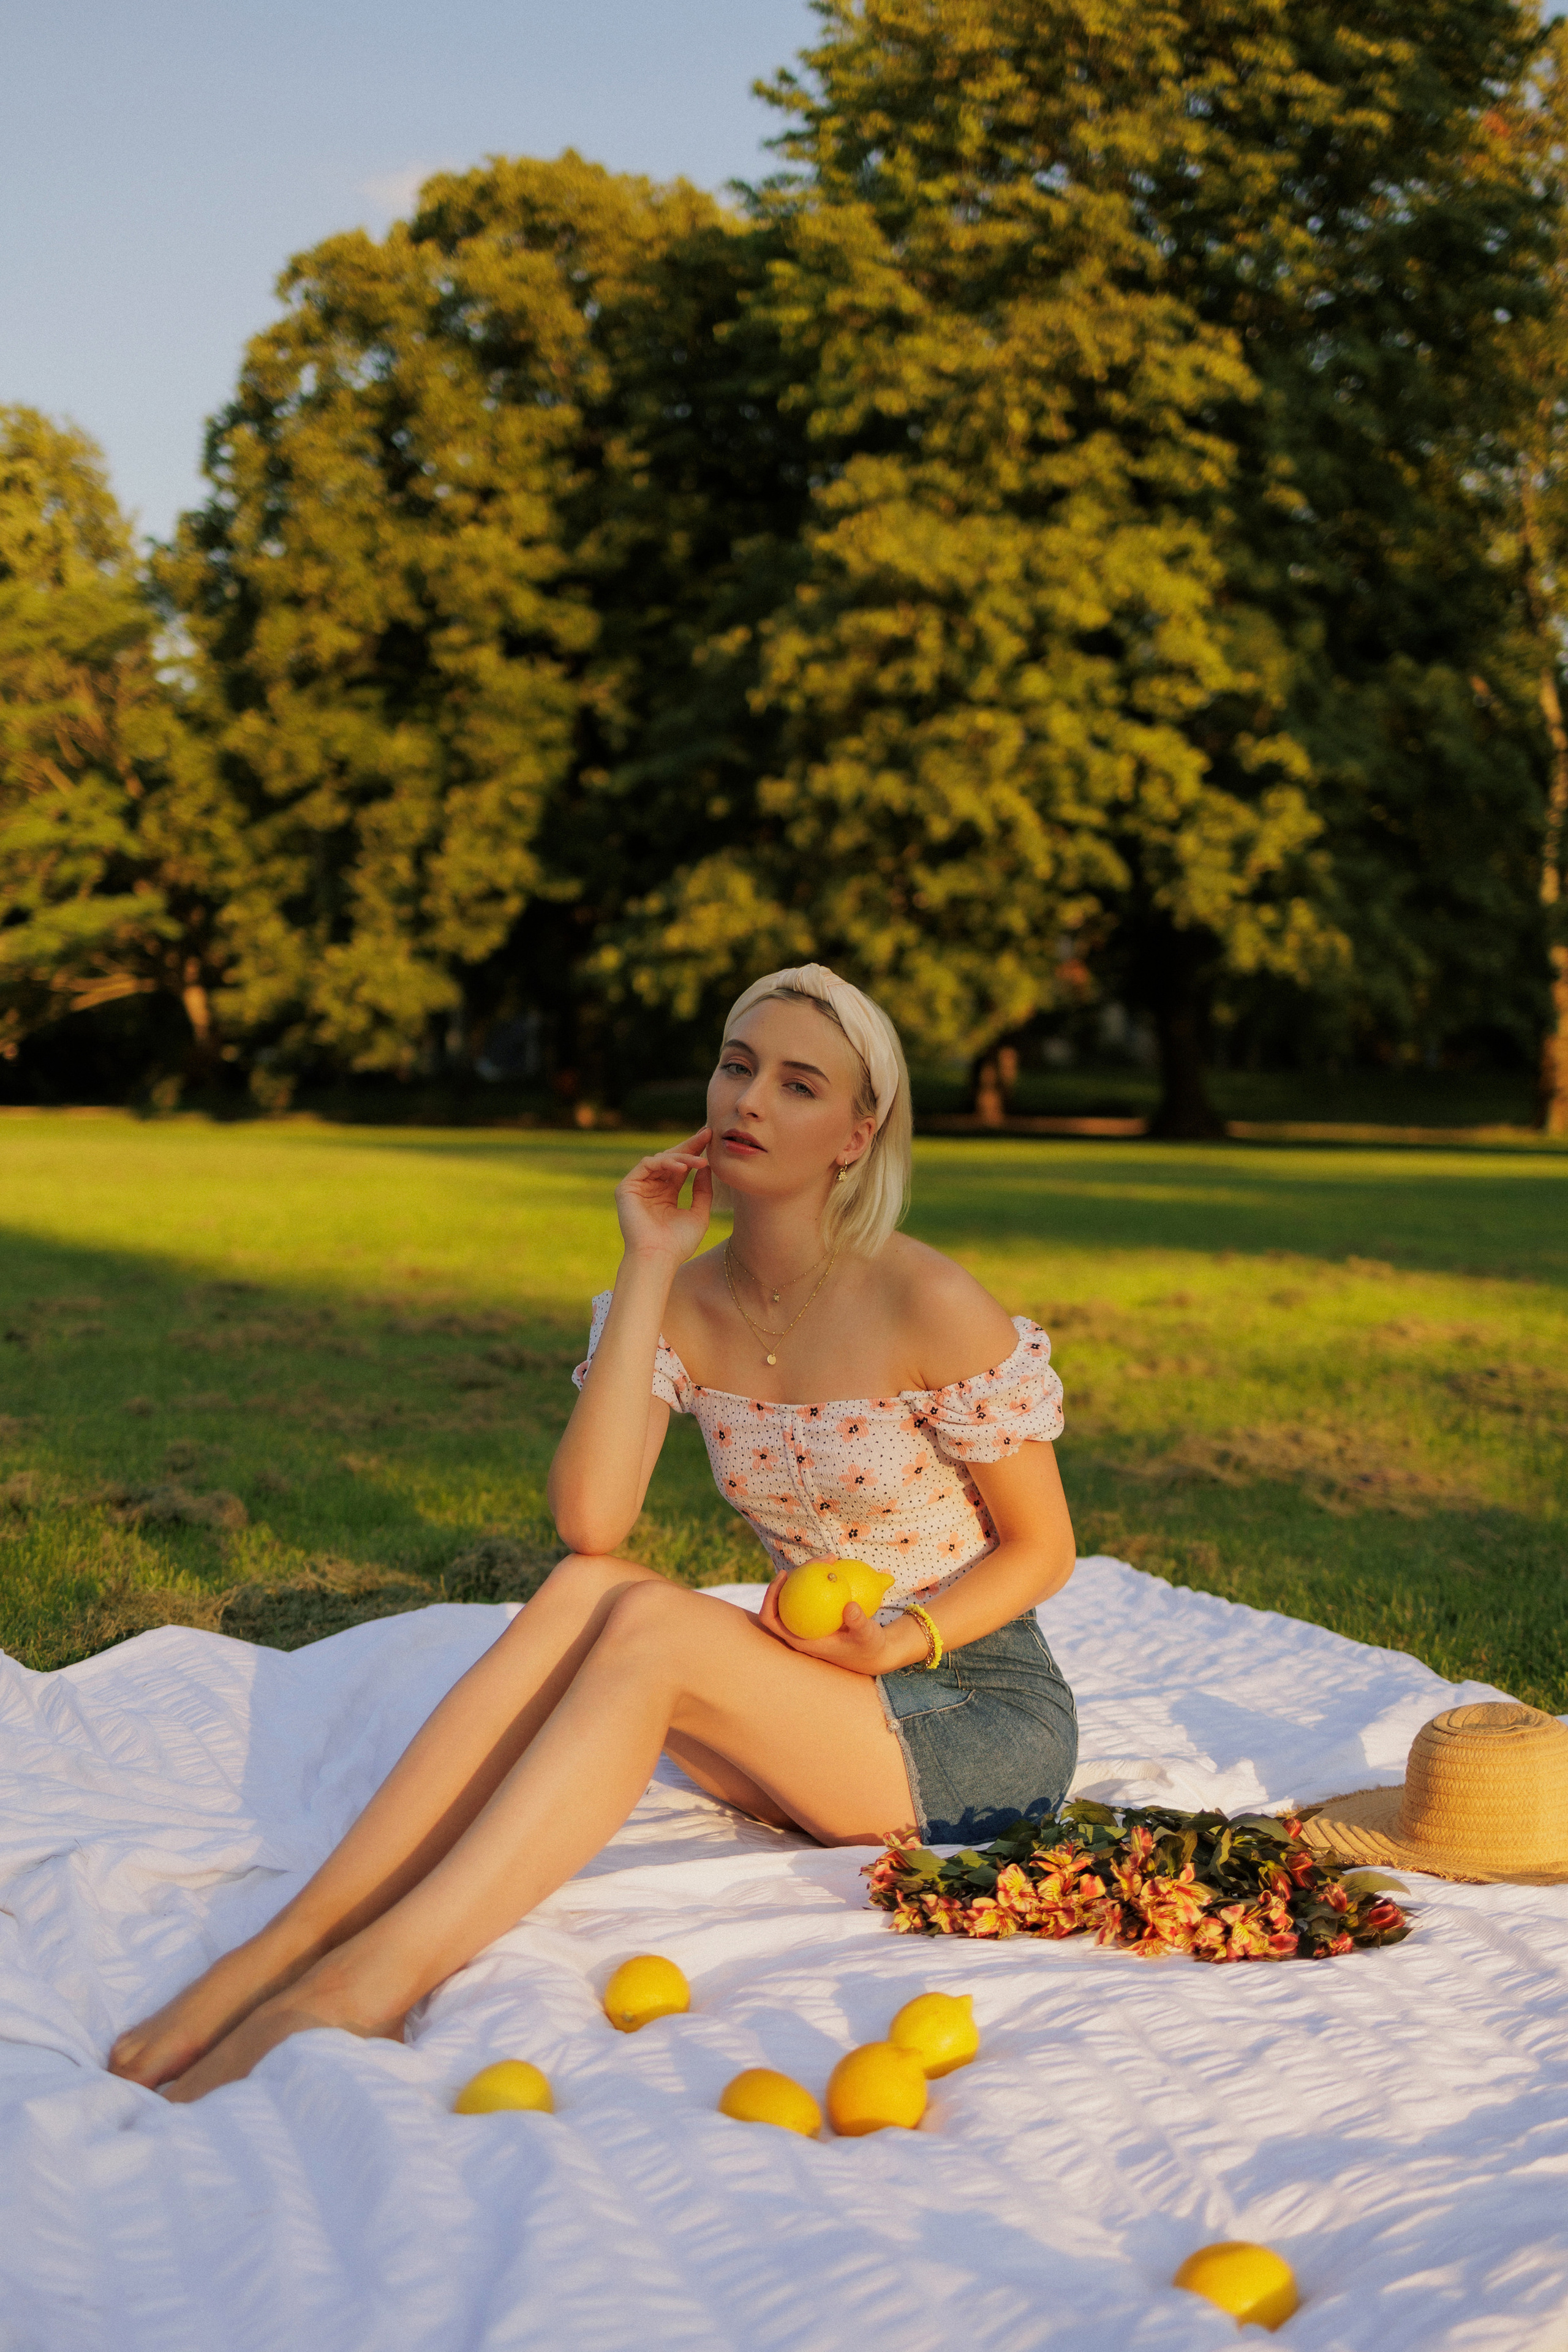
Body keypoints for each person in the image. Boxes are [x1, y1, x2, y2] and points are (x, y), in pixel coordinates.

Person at [108, 964, 1078, 2101]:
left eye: (797, 1084)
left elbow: (1042, 1551)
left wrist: (899, 1638)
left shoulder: (929, 1301)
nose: (749, 1101)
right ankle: (294, 1940)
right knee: (591, 1589)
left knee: (656, 1629)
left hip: (973, 1715)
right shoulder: (687, 1295)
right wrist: (649, 1264)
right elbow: (589, 1520)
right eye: (736, 1065)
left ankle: (368, 1985)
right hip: (823, 1693)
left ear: (857, 1135)